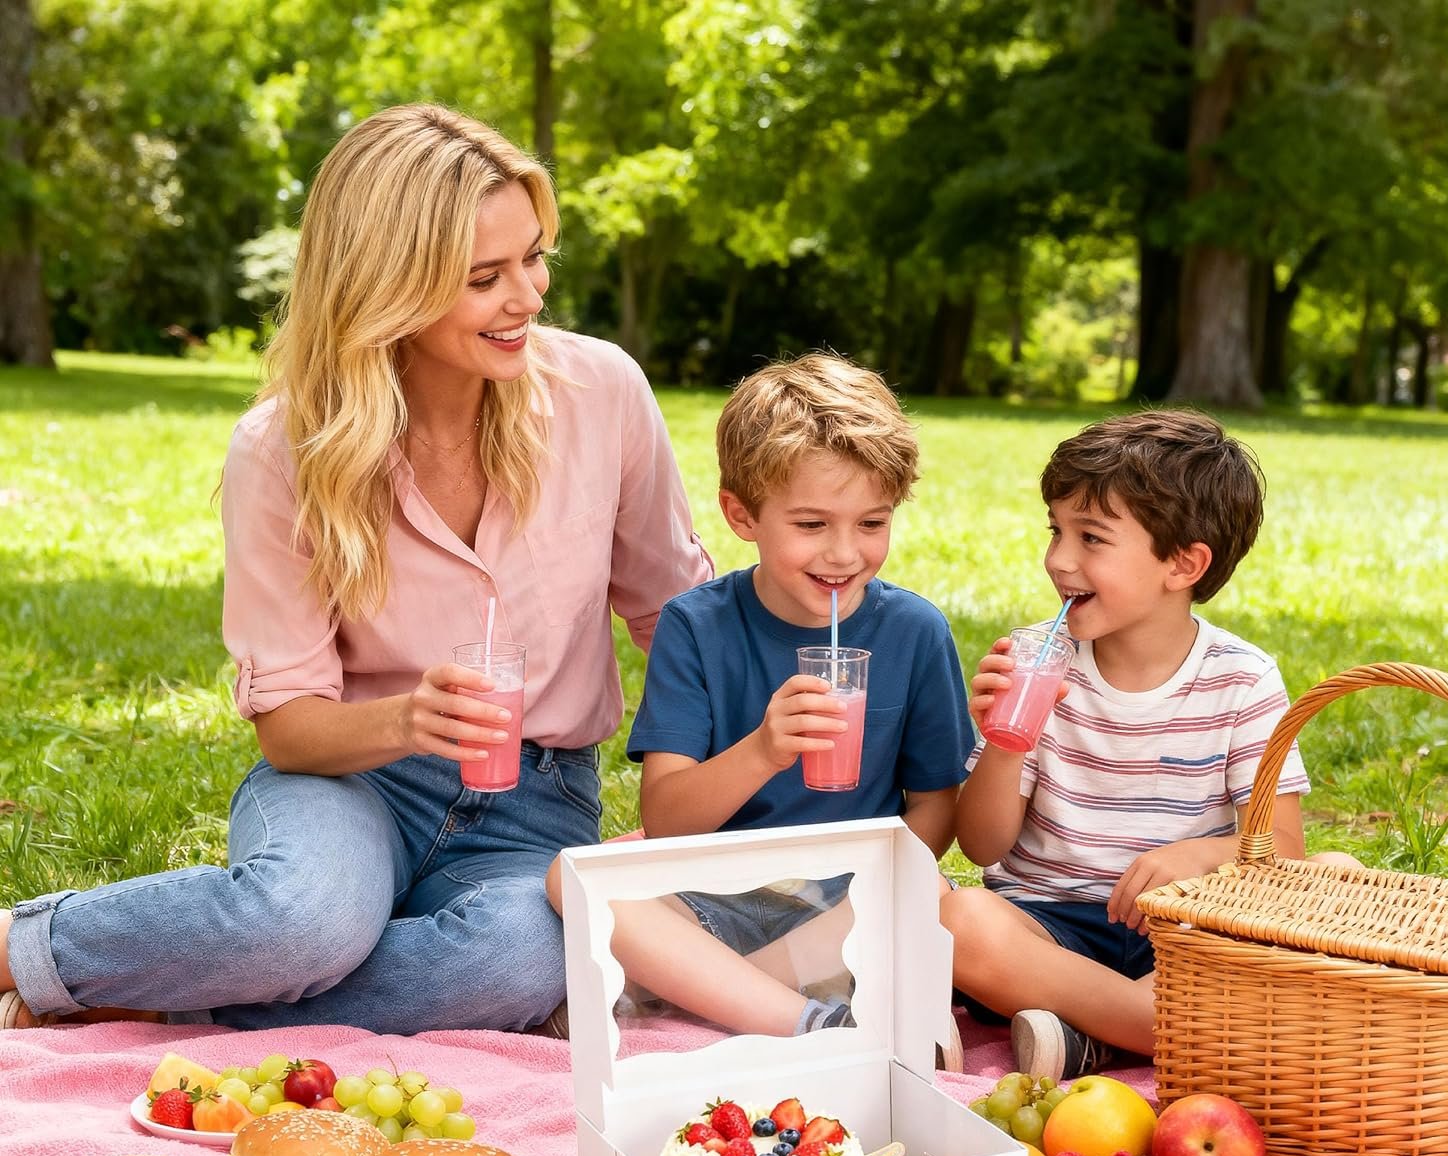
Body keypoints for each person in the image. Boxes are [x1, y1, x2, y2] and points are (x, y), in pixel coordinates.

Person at [0, 103, 711, 1035]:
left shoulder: (602, 392)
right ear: (391, 288)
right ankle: (24, 949)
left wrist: (729, 780)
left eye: (535, 258)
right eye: (484, 278)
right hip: (353, 780)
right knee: (302, 918)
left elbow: (679, 618)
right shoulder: (285, 448)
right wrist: (410, 719)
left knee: (523, 961)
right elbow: (291, 732)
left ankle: (170, 989)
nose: (529, 297)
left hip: (538, 797)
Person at [550, 352, 973, 1040]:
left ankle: (704, 989)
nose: (844, 553)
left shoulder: (914, 631)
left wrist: (880, 878)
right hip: (719, 888)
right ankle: (807, 1018)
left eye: (872, 523)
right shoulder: (696, 624)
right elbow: (668, 819)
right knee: (571, 876)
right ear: (741, 514)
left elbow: (934, 812)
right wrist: (763, 751)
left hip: (848, 899)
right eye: (812, 525)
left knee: (926, 894)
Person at [940, 409, 1356, 1081]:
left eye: (1091, 538)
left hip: (1187, 938)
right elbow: (983, 847)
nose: (1058, 559)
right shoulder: (1033, 659)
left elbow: (1283, 845)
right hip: (1048, 929)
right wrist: (1003, 742)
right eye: (1056, 530)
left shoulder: (1242, 680)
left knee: (1337, 874)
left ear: (1184, 563)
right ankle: (1174, 1030)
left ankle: (1090, 1037)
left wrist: (1198, 856)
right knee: (959, 918)